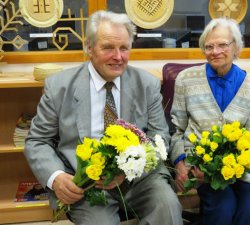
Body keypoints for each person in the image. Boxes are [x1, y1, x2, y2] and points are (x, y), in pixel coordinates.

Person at [25, 10, 183, 225]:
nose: (118, 57)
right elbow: (37, 141)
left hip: (140, 179)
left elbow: (159, 137)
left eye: (124, 48)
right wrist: (56, 178)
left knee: (168, 206)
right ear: (89, 48)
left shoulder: (147, 84)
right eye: (108, 47)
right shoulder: (59, 86)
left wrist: (130, 169)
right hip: (86, 184)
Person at [170, 17, 250, 225]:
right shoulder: (186, 80)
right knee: (222, 208)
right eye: (209, 46)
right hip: (201, 167)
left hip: (241, 170)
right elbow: (176, 130)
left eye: (223, 44)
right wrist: (180, 162)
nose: (215, 51)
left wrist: (232, 171)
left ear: (237, 48)